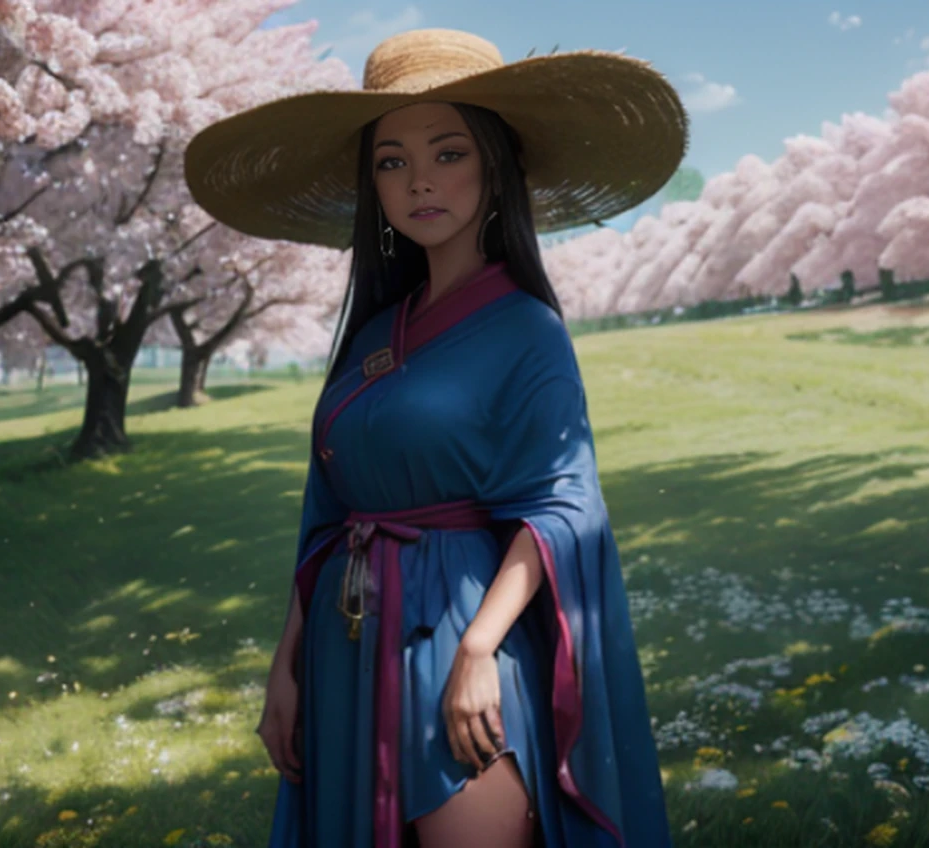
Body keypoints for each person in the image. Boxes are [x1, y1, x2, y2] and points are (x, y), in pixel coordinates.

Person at [183, 27, 688, 848]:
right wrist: (288, 662)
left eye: (448, 152)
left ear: (496, 168)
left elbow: (562, 507)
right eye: (391, 160)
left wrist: (479, 651)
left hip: (456, 629)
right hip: (346, 643)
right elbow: (327, 508)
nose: (419, 179)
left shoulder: (528, 329)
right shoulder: (374, 333)